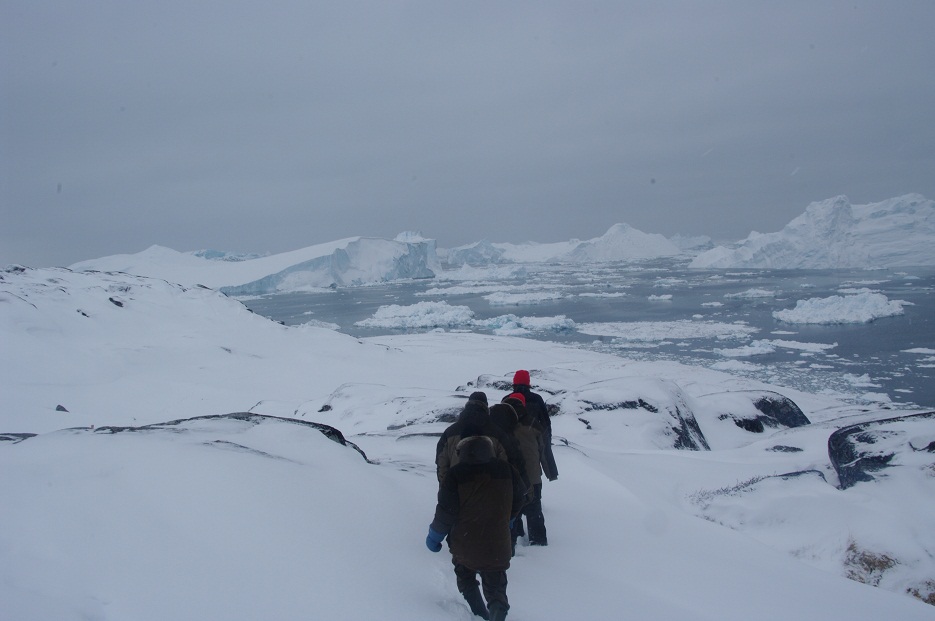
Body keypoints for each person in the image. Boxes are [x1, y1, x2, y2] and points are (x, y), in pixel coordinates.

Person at [426, 435, 526, 620]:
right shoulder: (507, 469)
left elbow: (446, 511)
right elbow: (521, 497)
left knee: (465, 577)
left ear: (461, 452)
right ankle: (496, 613)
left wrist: (435, 536)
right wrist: (508, 518)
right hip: (498, 542)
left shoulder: (455, 474)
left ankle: (480, 614)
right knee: (496, 588)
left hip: (465, 541)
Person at [435, 391, 526, 487]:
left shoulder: (449, 432)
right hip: (490, 492)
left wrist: (447, 488)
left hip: (458, 490)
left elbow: (442, 464)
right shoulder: (497, 433)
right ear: (486, 407)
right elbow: (507, 464)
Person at [502, 392, 551, 547]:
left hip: (509, 476)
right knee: (534, 510)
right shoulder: (534, 424)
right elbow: (543, 451)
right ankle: (538, 542)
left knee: (512, 508)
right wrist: (548, 471)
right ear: (523, 405)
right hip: (533, 476)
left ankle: (514, 537)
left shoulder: (500, 424)